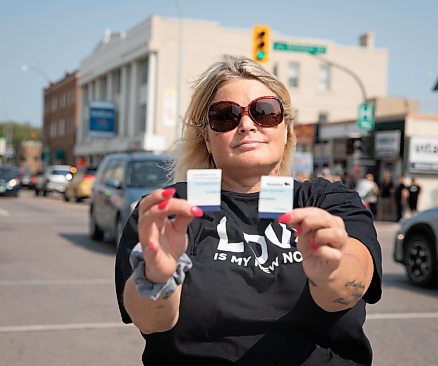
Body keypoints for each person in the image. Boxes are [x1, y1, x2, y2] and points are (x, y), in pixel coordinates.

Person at [115, 56, 382, 365]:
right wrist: (158, 277)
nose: (246, 124)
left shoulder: (330, 201)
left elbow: (348, 289)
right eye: (226, 116)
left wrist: (330, 271)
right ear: (207, 137)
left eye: (265, 112)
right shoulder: (168, 211)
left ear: (285, 128)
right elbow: (151, 323)